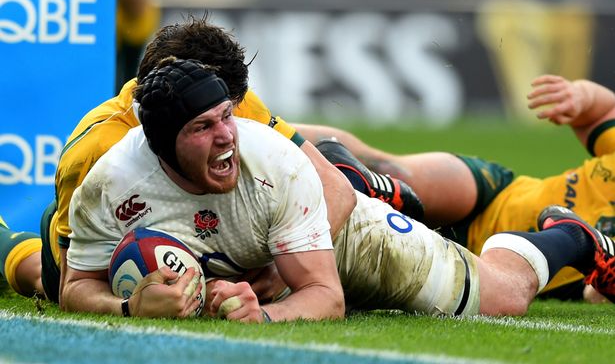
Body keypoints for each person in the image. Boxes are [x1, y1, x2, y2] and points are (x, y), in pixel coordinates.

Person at [64, 57, 615, 322]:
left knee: (499, 299)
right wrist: (131, 307)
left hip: (335, 234)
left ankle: (569, 239)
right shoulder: (107, 181)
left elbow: (323, 296)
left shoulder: (270, 159)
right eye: (202, 128)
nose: (226, 136)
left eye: (228, 117)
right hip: (255, 244)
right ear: (162, 145)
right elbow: (74, 285)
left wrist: (267, 311)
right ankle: (361, 175)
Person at [0, 15, 422, 304]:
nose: (230, 126)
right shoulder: (98, 152)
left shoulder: (224, 101)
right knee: (46, 281)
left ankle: (399, 194)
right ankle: (7, 242)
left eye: (229, 110)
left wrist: (277, 270)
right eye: (209, 119)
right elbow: (81, 278)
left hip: (223, 228)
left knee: (336, 164)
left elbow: (333, 187)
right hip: (116, 235)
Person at [293, 74, 615, 301]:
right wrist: (582, 96)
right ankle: (263, 122)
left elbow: (594, 294)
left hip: (497, 260)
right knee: (385, 165)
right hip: (496, 193)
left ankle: (376, 198)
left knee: (373, 243)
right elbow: (605, 110)